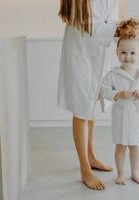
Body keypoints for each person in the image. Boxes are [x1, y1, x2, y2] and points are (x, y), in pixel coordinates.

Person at [57, 0, 118, 190]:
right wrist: (115, 30)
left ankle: (91, 156)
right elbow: (86, 23)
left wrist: (118, 28)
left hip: (98, 53)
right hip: (79, 51)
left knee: (91, 106)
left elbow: (113, 19)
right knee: (81, 109)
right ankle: (84, 168)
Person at [101, 17, 139, 185]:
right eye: (123, 52)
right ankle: (120, 174)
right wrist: (117, 94)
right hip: (120, 117)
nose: (128, 56)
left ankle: (134, 172)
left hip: (136, 118)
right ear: (117, 53)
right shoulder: (113, 74)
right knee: (120, 147)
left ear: (138, 54)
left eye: (132, 53)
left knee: (134, 147)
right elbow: (104, 90)